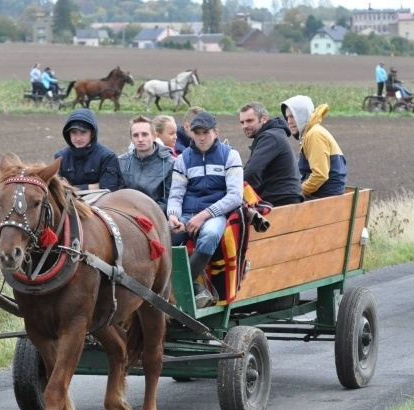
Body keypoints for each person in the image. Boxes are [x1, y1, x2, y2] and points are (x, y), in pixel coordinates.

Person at [167, 111, 244, 308]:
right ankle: (194, 288)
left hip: (215, 214)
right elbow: (175, 195)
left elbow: (235, 197)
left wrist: (204, 215)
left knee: (210, 235)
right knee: (162, 238)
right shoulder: (183, 159)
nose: (201, 137)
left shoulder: (230, 155)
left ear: (216, 132)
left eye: (205, 132)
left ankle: (177, 288)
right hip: (186, 213)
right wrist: (173, 217)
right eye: (197, 133)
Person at [281, 95, 347, 199]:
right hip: (325, 193)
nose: (289, 121)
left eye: (292, 116)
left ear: (302, 115)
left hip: (325, 196)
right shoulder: (311, 133)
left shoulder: (314, 135)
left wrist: (297, 191)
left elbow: (320, 175)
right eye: (287, 117)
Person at [239, 102, 304, 206]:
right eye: (242, 122)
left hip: (281, 202)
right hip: (284, 198)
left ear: (264, 118)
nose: (245, 126)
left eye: (249, 121)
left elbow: (251, 172)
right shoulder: (272, 134)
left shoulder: (270, 137)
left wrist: (236, 194)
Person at [55, 108, 122, 192]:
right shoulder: (60, 157)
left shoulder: (107, 156)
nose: (78, 138)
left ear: (93, 133)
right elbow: (56, 188)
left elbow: (108, 188)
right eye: (74, 132)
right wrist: (95, 186)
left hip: (98, 202)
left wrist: (71, 187)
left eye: (83, 132)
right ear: (68, 134)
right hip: (69, 202)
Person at [118, 115, 174, 213]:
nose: (140, 139)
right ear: (131, 138)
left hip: (155, 216)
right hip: (126, 215)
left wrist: (146, 215)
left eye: (144, 134)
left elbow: (167, 200)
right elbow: (117, 195)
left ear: (154, 136)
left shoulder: (169, 163)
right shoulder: (121, 162)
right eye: (136, 135)